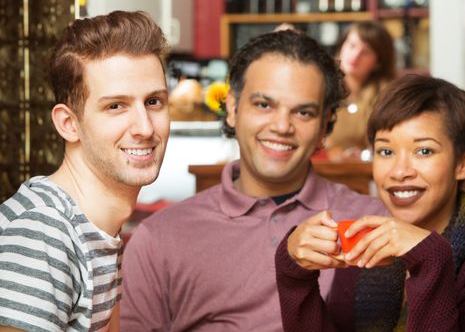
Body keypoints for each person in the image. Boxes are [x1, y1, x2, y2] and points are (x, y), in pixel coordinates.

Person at [119, 30, 388, 331]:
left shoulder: (372, 223)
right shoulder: (159, 239)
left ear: (324, 127)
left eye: (303, 112)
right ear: (233, 109)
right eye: (264, 105)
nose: (282, 126)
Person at [276, 74, 465, 331]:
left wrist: (430, 259)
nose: (399, 171)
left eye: (424, 151)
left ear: (463, 163)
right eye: (386, 151)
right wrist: (294, 273)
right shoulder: (363, 248)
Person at [0, 11, 170, 331]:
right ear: (69, 123)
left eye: (153, 101)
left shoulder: (97, 229)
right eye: (115, 106)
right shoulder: (44, 232)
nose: (145, 128)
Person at [325, 21, 396, 161]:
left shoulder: (386, 94)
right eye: (351, 45)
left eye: (366, 52)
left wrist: (365, 155)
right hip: (323, 168)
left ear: (378, 62)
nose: (355, 55)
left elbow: (389, 142)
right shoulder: (321, 85)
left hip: (366, 172)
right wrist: (331, 150)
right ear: (341, 46)